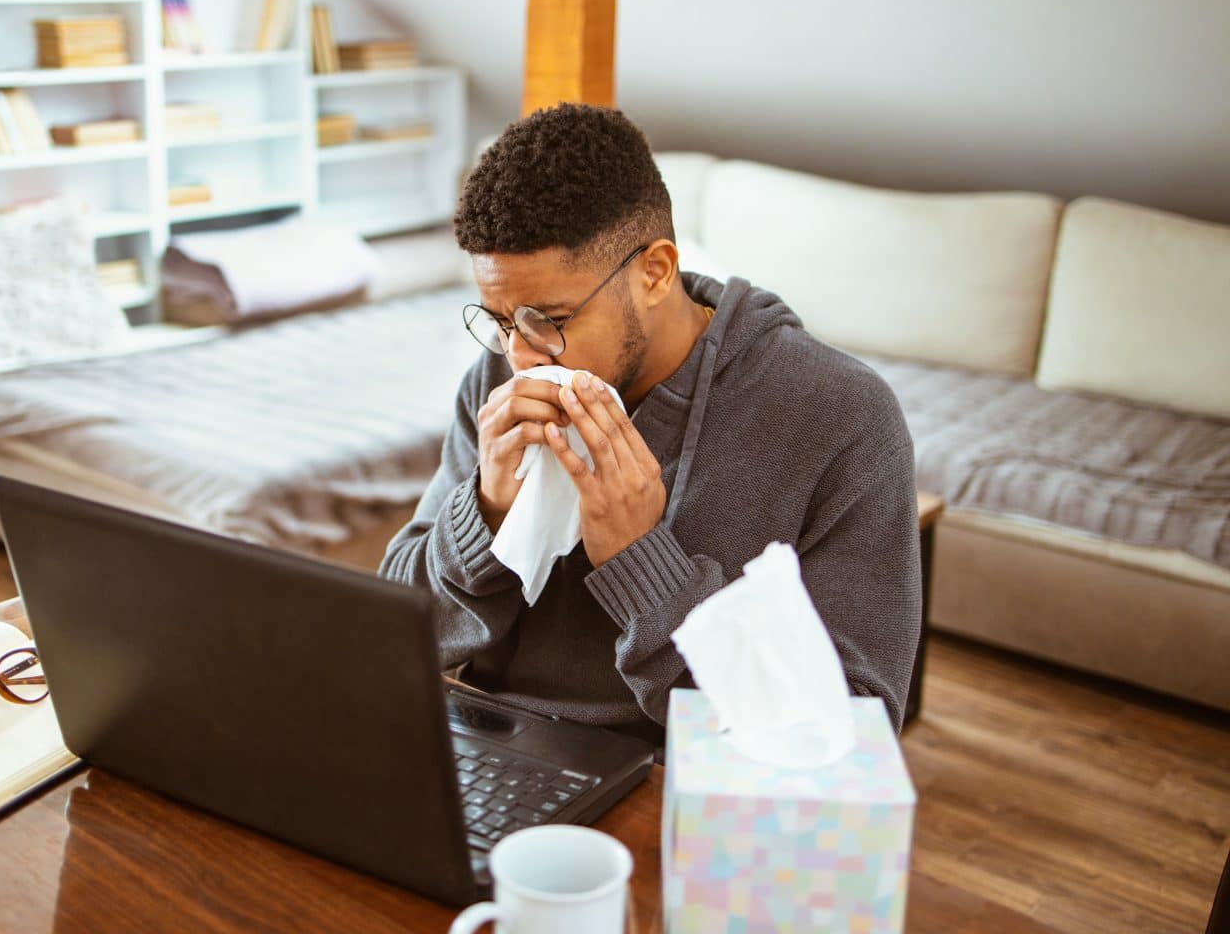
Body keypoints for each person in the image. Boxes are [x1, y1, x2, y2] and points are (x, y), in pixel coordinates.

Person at [379, 102, 920, 743]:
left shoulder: (842, 417)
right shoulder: (500, 381)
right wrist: (487, 515)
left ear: (655, 272)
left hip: (681, 776)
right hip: (493, 748)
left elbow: (854, 729)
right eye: (500, 321)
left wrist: (640, 561)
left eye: (550, 320)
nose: (520, 356)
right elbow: (396, 630)